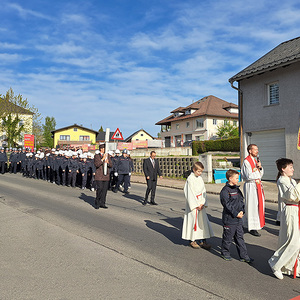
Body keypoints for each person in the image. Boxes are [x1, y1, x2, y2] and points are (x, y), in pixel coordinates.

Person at [268, 158, 300, 280]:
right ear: (283, 169)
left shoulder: (290, 180)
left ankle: (289, 267)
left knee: (296, 241)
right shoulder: (282, 181)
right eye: (290, 167)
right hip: (291, 210)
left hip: (296, 210)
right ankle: (275, 264)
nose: (293, 169)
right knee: (294, 242)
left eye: (292, 166)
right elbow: (292, 196)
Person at [220, 169, 253, 263]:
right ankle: (225, 253)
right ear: (230, 178)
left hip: (238, 219)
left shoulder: (237, 189)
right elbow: (226, 205)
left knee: (240, 238)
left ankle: (244, 256)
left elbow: (241, 201)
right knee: (228, 238)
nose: (238, 179)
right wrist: (235, 213)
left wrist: (242, 211)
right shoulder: (225, 191)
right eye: (236, 178)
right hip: (229, 219)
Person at [182, 161, 213, 250]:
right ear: (194, 170)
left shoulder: (200, 179)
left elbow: (204, 191)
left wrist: (203, 203)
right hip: (194, 205)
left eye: (201, 171)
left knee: (202, 222)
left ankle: (203, 240)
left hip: (200, 203)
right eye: (199, 171)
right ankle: (192, 240)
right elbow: (189, 193)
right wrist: (195, 205)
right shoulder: (190, 179)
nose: (200, 173)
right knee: (193, 222)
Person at [241, 144, 265, 237]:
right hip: (251, 185)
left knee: (257, 205)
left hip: (257, 185)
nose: (257, 151)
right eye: (255, 149)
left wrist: (260, 167)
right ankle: (252, 227)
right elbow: (248, 176)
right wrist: (256, 170)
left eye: (257, 149)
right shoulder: (246, 162)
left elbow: (260, 175)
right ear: (250, 151)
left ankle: (253, 224)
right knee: (251, 205)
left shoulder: (255, 161)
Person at [94, 145, 112, 209]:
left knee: (104, 190)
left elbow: (111, 165)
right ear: (101, 149)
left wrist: (108, 163)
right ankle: (97, 202)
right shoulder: (97, 156)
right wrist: (102, 159)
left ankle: (102, 203)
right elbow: (97, 164)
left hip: (106, 176)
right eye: (104, 148)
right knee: (100, 188)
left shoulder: (108, 156)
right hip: (99, 176)